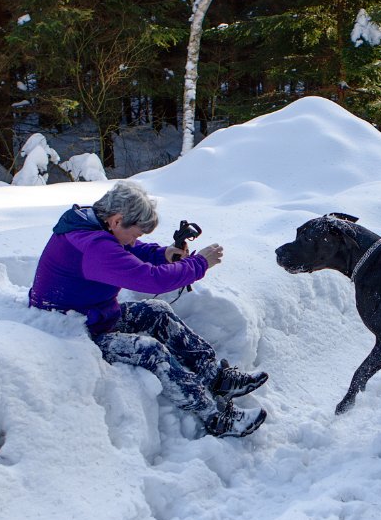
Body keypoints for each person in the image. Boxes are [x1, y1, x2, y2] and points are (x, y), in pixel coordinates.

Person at [29, 180, 268, 438]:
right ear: (118, 220)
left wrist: (163, 253)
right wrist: (199, 264)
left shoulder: (94, 221)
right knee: (150, 350)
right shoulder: (94, 247)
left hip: (90, 312)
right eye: (136, 233)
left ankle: (217, 377)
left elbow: (127, 248)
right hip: (71, 330)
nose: (136, 240)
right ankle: (215, 417)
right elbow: (152, 279)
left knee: (157, 312)